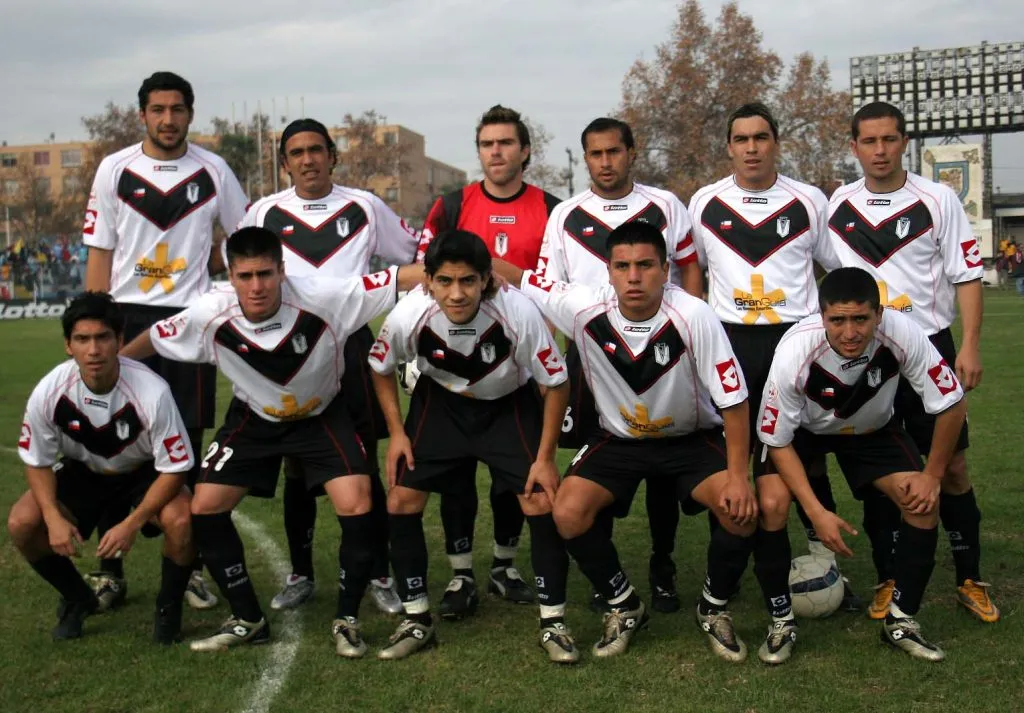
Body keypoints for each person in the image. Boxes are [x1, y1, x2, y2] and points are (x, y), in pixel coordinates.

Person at [119, 227, 425, 655]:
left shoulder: (325, 297)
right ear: (231, 275)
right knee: (204, 507)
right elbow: (153, 339)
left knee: (356, 500)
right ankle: (247, 618)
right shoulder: (210, 312)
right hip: (254, 418)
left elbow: (402, 277)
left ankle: (347, 618)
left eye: (265, 274)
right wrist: (108, 367)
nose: (257, 286)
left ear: (283, 271)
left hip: (321, 414)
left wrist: (476, 272)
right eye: (245, 276)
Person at [496, 220, 759, 661]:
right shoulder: (582, 307)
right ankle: (624, 605)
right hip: (618, 440)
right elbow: (517, 275)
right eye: (622, 266)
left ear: (665, 269)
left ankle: (712, 608)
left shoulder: (694, 315)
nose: (633, 277)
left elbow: (734, 402)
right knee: (568, 512)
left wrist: (738, 476)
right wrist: (458, 268)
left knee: (741, 513)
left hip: (689, 439)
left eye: (645, 265)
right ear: (608, 269)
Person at [688, 102, 859, 662]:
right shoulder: (704, 203)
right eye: (741, 139)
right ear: (729, 146)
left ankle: (819, 567)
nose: (752, 148)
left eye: (762, 137)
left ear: (776, 142)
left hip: (796, 343)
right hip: (731, 343)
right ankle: (728, 580)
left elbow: (840, 268)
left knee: (797, 463)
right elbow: (688, 271)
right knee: (738, 470)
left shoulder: (810, 199)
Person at [234, 118, 419, 615]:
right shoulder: (263, 212)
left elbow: (413, 258)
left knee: (361, 459)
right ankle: (300, 573)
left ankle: (379, 572)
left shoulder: (365, 206)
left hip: (350, 345)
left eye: (317, 150)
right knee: (296, 462)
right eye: (297, 152)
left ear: (332, 155)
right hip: (284, 350)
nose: (308, 159)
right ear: (285, 162)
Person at [82, 71, 249, 611]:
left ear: (190, 114)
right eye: (158, 109)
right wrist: (94, 321)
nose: (168, 119)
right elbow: (100, 250)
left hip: (190, 321)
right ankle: (109, 570)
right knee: (113, 440)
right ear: (142, 115)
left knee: (187, 440)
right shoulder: (115, 169)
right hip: (126, 317)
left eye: (177, 109)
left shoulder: (214, 170)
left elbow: (241, 240)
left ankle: (188, 563)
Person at [369, 229, 575, 662]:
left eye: (468, 281)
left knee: (539, 500)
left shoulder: (519, 312)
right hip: (440, 404)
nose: (457, 294)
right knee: (402, 499)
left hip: (507, 406)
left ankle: (554, 623)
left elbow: (556, 383)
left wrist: (545, 458)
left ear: (488, 280)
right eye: (445, 281)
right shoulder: (410, 315)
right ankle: (416, 619)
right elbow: (380, 366)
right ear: (428, 281)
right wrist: (398, 434)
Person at [828, 101, 997, 622]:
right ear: (854, 147)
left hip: (928, 348)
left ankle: (969, 576)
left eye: (889, 140)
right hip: (867, 354)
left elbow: (966, 275)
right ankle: (888, 576)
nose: (880, 151)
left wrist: (968, 345)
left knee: (952, 466)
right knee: (886, 471)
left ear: (905, 142)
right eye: (869, 142)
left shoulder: (938, 198)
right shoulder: (838, 203)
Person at [537, 117, 703, 614]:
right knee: (595, 459)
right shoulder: (566, 214)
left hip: (660, 350)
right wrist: (552, 357)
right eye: (595, 154)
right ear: (585, 158)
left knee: (660, 457)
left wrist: (687, 333)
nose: (605, 162)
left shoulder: (665, 205)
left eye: (614, 152)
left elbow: (690, 264)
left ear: (632, 152)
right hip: (591, 359)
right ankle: (603, 574)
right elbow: (549, 288)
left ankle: (662, 563)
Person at [759, 267, 967, 661]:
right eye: (837, 320)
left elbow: (952, 403)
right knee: (770, 504)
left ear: (879, 314)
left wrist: (932, 476)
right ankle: (781, 620)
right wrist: (816, 512)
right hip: (803, 432)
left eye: (860, 319)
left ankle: (902, 620)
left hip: (871, 428)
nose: (849, 332)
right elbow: (778, 440)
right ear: (822, 317)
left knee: (921, 502)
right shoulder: (794, 351)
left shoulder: (903, 333)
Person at [416, 105, 563, 619]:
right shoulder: (452, 205)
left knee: (513, 477)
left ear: (525, 151)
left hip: (517, 360)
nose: (495, 152)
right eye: (486, 144)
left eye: (505, 143)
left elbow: (555, 285)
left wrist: (506, 275)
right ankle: (460, 576)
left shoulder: (552, 207)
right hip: (453, 363)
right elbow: (428, 272)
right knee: (456, 477)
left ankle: (503, 565)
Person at [7, 292, 197, 644]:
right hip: (84, 473)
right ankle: (77, 599)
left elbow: (175, 469)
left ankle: (168, 607)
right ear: (68, 345)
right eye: (82, 339)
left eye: (102, 337)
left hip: (143, 473)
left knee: (182, 520)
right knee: (22, 522)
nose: (93, 350)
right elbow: (37, 460)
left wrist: (132, 523)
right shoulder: (49, 391)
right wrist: (52, 517)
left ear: (119, 341)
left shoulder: (152, 392)